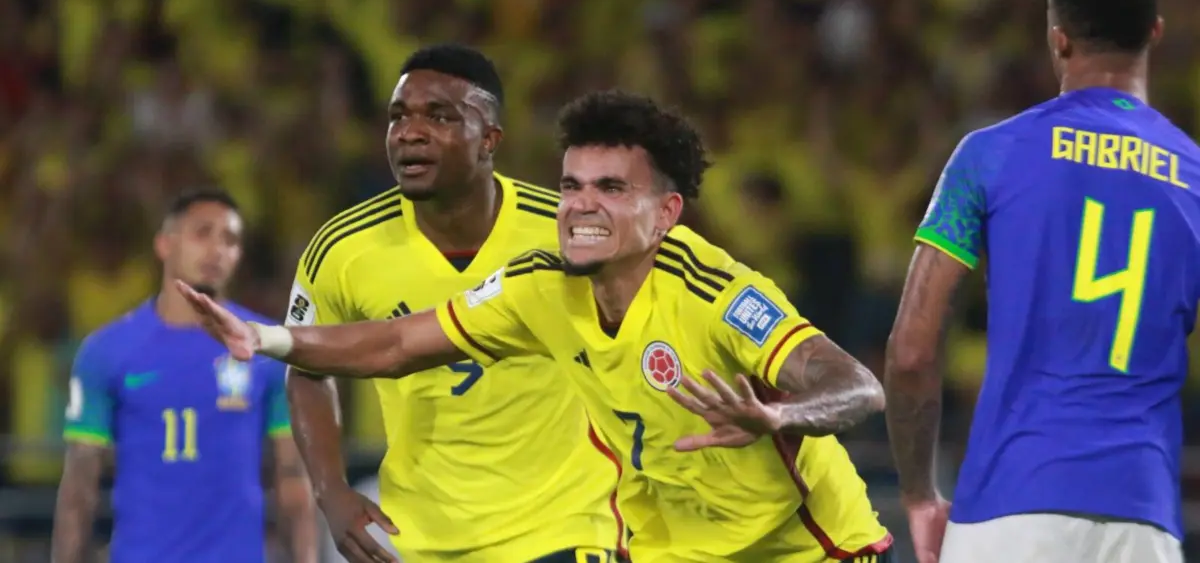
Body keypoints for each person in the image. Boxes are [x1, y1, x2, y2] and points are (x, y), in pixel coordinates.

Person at [178, 89, 896, 563]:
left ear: (666, 214)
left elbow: (857, 386)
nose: (582, 205)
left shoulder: (715, 293)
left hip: (809, 548)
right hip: (671, 549)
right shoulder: (539, 284)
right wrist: (268, 339)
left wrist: (779, 414)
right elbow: (397, 342)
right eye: (571, 186)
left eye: (611, 188)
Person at [884, 0, 1194, 563]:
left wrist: (919, 495)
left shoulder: (990, 154)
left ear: (1058, 39)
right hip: (1145, 517)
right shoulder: (1194, 176)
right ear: (1154, 33)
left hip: (1010, 507)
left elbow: (911, 351)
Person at [285, 44, 623, 563]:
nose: (410, 132)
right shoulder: (342, 249)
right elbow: (306, 366)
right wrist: (330, 489)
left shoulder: (565, 233)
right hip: (422, 539)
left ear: (489, 139)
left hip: (565, 526)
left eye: (439, 116)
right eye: (399, 116)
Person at [51, 188, 317, 563]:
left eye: (230, 240)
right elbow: (79, 486)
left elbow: (292, 478)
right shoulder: (107, 351)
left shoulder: (266, 349)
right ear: (164, 244)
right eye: (202, 233)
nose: (217, 250)